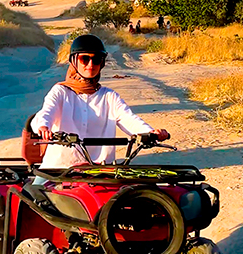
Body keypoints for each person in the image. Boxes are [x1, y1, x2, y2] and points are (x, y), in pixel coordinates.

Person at [32, 34, 168, 169]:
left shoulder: (110, 96)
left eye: (96, 59)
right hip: (58, 169)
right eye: (84, 59)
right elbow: (47, 112)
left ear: (102, 63)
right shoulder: (60, 91)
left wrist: (151, 133)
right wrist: (44, 127)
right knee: (32, 190)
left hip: (101, 171)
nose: (90, 64)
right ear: (74, 61)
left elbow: (130, 120)